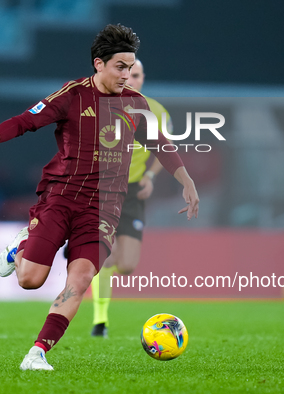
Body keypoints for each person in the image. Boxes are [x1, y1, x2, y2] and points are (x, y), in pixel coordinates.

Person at [0, 24, 199, 371]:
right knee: (29, 280)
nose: (127, 75)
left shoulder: (136, 104)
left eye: (131, 68)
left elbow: (160, 144)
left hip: (104, 209)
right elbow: (27, 120)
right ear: (99, 64)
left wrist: (186, 180)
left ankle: (37, 352)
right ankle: (18, 248)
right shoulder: (72, 95)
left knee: (80, 279)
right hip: (61, 199)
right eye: (120, 67)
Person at [89, 59, 172, 338]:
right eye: (126, 74)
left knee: (126, 266)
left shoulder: (157, 111)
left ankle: (99, 258)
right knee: (105, 257)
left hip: (134, 192)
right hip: (103, 190)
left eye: (136, 75)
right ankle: (100, 320)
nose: (131, 79)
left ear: (143, 78)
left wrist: (150, 177)